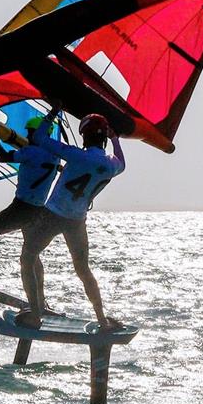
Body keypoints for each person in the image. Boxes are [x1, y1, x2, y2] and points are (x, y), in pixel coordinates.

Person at [17, 104, 125, 331]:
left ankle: (36, 315)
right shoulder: (110, 165)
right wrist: (116, 139)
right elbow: (122, 164)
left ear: (84, 136)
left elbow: (39, 137)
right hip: (77, 221)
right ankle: (102, 320)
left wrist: (54, 111)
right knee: (83, 269)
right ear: (104, 137)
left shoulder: (75, 155)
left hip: (53, 215)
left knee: (28, 257)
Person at [0, 116, 60, 308]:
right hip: (39, 210)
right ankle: (41, 300)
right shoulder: (55, 156)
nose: (27, 135)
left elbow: (3, 157)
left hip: (21, 207)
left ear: (38, 134)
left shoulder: (30, 152)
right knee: (32, 254)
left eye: (30, 133)